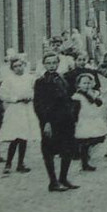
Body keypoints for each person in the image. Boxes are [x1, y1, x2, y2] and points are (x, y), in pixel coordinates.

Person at [34, 51, 79, 192]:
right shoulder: (41, 82)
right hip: (50, 121)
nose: (52, 66)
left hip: (65, 120)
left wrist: (72, 115)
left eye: (54, 63)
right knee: (49, 150)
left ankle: (63, 178)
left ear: (58, 63)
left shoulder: (62, 78)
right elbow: (38, 104)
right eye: (48, 63)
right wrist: (46, 122)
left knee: (67, 149)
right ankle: (53, 182)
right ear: (44, 65)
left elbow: (69, 98)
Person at [0, 54, 37, 176]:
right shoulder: (9, 80)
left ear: (24, 66)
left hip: (27, 109)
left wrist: (31, 97)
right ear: (12, 68)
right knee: (15, 137)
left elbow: (35, 90)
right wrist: (16, 98)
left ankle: (20, 163)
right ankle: (8, 164)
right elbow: (3, 95)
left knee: (23, 137)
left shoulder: (30, 78)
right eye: (15, 66)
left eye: (20, 65)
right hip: (15, 110)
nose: (18, 68)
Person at [71, 70, 106, 171]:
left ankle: (86, 154)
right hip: (83, 121)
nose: (87, 85)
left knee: (99, 138)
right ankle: (84, 162)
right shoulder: (77, 96)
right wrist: (75, 122)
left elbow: (99, 103)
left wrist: (94, 95)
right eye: (84, 83)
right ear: (79, 85)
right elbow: (74, 111)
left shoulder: (93, 93)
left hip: (93, 120)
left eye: (89, 83)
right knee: (84, 141)